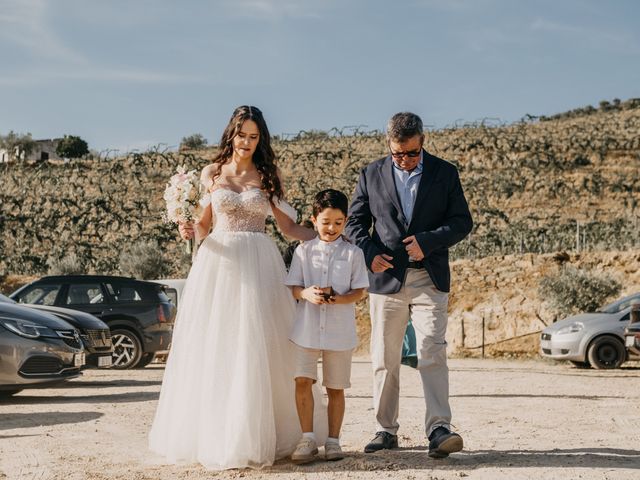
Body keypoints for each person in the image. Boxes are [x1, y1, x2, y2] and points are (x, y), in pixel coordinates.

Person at [148, 105, 322, 470]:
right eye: (242, 134)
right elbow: (203, 225)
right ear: (232, 134)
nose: (247, 141)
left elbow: (288, 228)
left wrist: (328, 240)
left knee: (260, 346)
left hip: (260, 262)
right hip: (219, 264)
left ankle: (268, 432)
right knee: (219, 345)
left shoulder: (268, 174)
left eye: (254, 136)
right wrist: (188, 228)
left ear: (261, 139)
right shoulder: (211, 172)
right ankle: (218, 436)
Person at [345, 112, 473, 459]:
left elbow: (463, 221)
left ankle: (439, 429)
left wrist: (428, 241)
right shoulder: (370, 173)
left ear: (423, 142)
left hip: (429, 276)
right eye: (397, 154)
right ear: (389, 145)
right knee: (384, 357)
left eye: (411, 153)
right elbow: (354, 222)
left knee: (432, 348)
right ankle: (386, 429)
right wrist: (370, 252)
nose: (404, 160)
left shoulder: (445, 173)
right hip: (385, 279)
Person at [285, 189, 369, 464]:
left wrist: (339, 299)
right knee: (302, 380)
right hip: (306, 328)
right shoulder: (303, 251)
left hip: (339, 330)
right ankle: (307, 438)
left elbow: (360, 291)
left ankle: (333, 441)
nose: (331, 228)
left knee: (335, 386)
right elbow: (294, 287)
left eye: (338, 222)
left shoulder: (354, 253)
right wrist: (307, 294)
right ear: (313, 219)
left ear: (345, 221)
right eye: (325, 221)